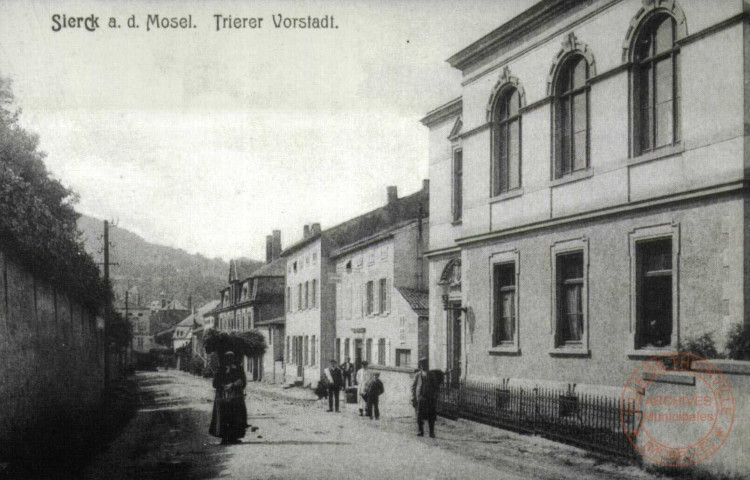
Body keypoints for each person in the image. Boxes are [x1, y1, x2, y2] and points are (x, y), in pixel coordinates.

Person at [209, 351, 248, 445]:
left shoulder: (238, 368)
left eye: (231, 357)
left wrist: (233, 385)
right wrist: (224, 386)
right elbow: (215, 384)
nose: (230, 360)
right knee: (223, 416)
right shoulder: (220, 369)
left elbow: (243, 381)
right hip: (223, 396)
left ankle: (234, 437)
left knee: (236, 416)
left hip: (235, 396)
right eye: (227, 358)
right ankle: (224, 438)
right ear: (225, 359)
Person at [411, 358, 440, 438]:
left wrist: (435, 396)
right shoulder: (417, 375)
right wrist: (413, 398)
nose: (423, 366)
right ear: (420, 366)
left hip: (430, 399)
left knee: (431, 416)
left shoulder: (432, 375)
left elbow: (436, 387)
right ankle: (421, 431)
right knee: (419, 416)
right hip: (420, 398)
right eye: (421, 365)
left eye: (424, 365)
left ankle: (431, 432)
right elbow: (413, 387)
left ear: (427, 365)